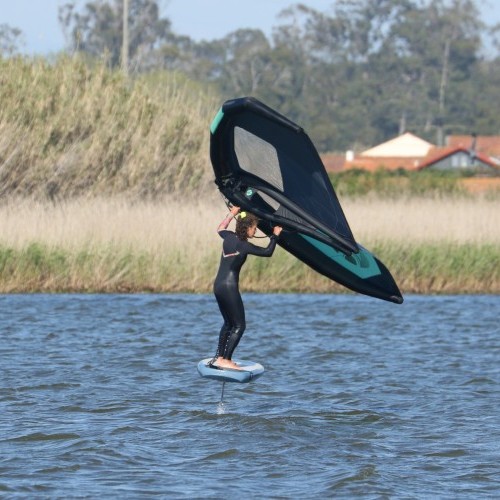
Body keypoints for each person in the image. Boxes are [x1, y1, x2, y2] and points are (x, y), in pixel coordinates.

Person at [211, 205, 282, 370]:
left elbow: (220, 228)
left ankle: (219, 357)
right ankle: (226, 359)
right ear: (248, 227)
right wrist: (275, 235)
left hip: (218, 286)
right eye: (254, 228)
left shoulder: (228, 237)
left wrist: (232, 213)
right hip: (229, 287)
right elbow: (267, 252)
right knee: (239, 326)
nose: (255, 231)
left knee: (228, 323)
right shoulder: (243, 245)